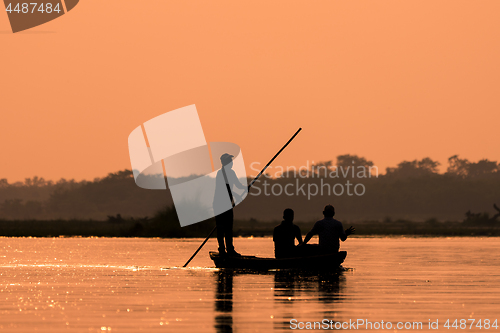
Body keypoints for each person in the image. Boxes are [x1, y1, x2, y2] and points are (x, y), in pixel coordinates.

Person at [213, 153, 247, 257]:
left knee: (228, 228)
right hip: (219, 205)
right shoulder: (220, 174)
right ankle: (222, 250)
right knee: (221, 229)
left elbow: (237, 185)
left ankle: (230, 250)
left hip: (227, 205)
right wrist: (236, 194)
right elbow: (224, 189)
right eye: (229, 161)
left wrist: (245, 188)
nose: (231, 163)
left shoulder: (231, 173)